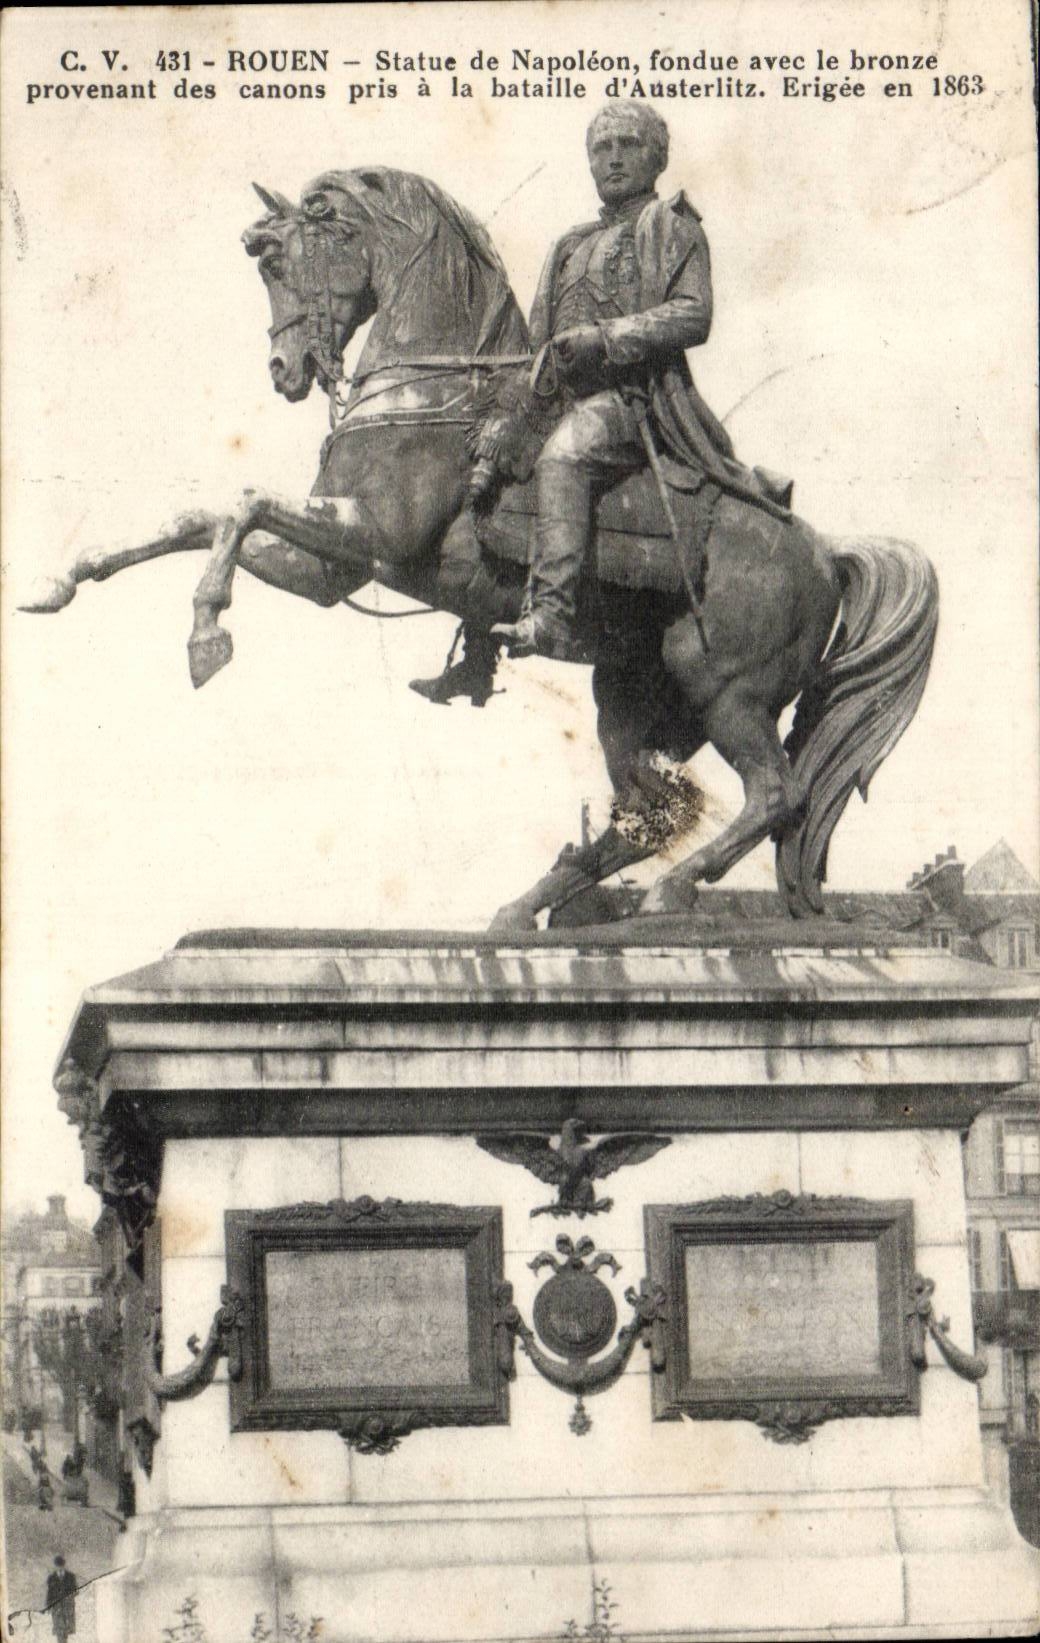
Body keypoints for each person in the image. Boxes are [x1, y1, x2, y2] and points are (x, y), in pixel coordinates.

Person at [493, 104, 785, 662]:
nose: (614, 157)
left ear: (658, 155)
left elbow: (692, 314)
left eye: (628, 143)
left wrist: (605, 338)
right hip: (559, 397)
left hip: (632, 400)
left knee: (564, 457)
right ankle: (476, 653)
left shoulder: (672, 226)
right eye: (602, 148)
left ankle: (552, 615)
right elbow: (537, 336)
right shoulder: (568, 244)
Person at [45, 1555, 77, 1642]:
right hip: (57, 1607)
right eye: (57, 1566)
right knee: (59, 1630)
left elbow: (75, 1590)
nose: (59, 1568)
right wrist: (48, 1606)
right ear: (55, 1566)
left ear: (64, 1565)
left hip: (67, 1606)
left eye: (61, 1565)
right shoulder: (51, 1578)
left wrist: (70, 1596)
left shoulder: (71, 1576)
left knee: (66, 1630)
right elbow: (49, 1593)